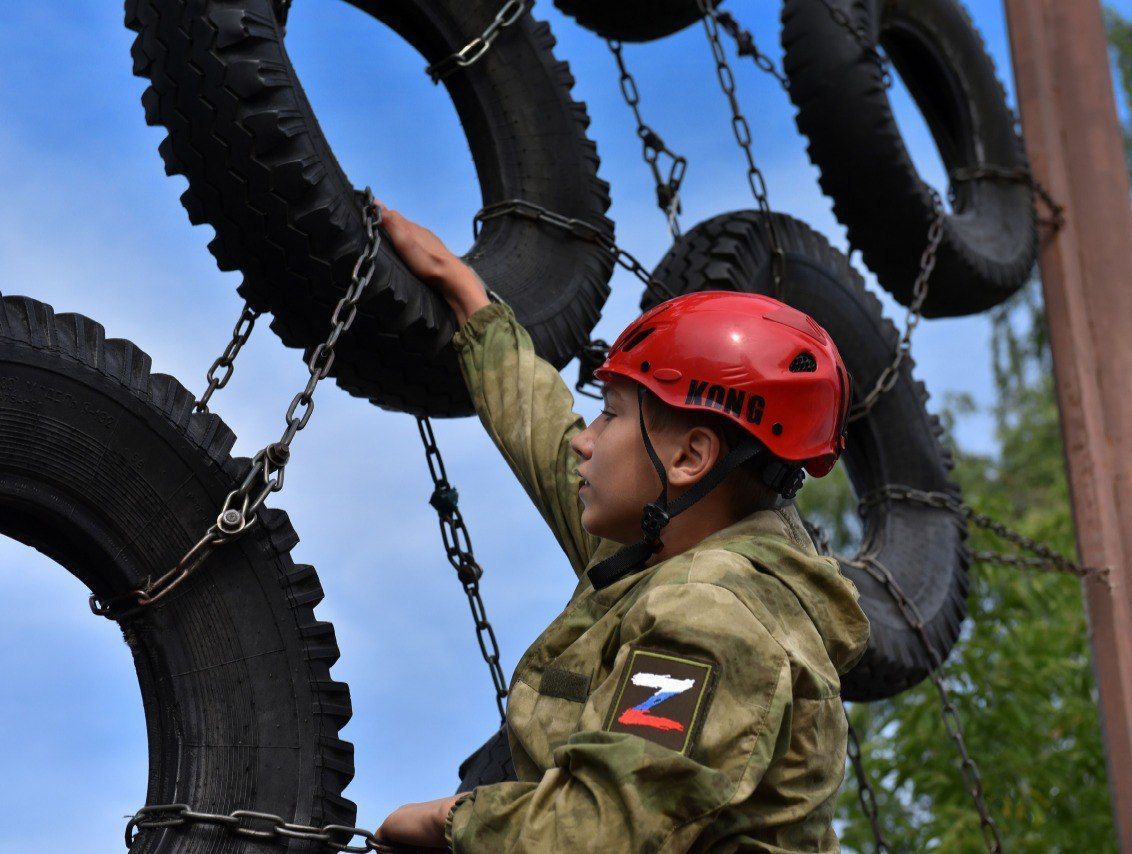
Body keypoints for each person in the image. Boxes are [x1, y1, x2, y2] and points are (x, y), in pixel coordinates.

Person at [374, 205, 870, 852]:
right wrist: (464, 292)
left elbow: (596, 834)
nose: (585, 440)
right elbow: (542, 433)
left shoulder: (712, 615)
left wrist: (447, 821)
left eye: (608, 415)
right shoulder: (665, 539)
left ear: (691, 457)